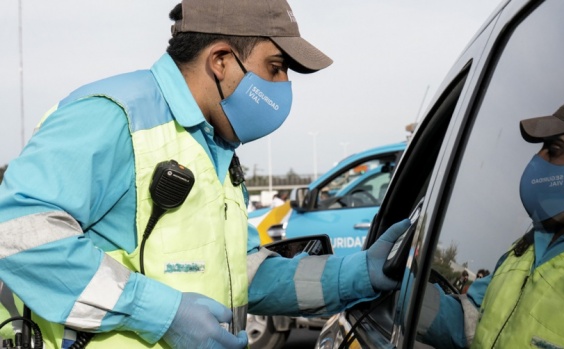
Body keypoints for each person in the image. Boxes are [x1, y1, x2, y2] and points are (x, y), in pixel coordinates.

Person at [0, 1, 413, 348]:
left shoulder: (213, 147)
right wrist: (162, 313)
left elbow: (244, 274)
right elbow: (15, 234)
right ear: (220, 61)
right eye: (275, 67)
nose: (284, 85)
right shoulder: (116, 115)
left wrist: (358, 274)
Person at [411, 94, 564, 348]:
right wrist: (396, 290)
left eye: (554, 150)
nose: (538, 160)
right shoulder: (524, 249)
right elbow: (472, 322)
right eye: (541, 148)